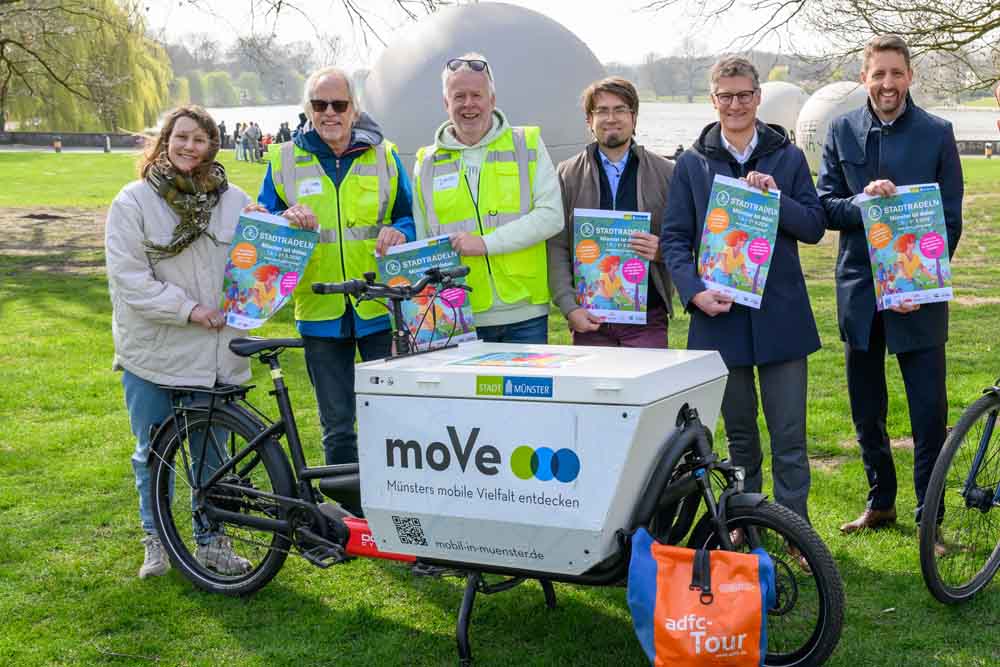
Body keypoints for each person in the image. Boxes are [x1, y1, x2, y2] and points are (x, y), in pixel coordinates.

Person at [661, 56, 825, 527]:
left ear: (758, 97)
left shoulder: (788, 158)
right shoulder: (691, 164)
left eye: (744, 95)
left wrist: (775, 198)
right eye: (726, 96)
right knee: (739, 439)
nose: (735, 105)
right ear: (713, 100)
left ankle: (794, 530)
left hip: (781, 318)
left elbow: (814, 226)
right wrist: (694, 292)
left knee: (789, 438)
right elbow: (675, 239)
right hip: (720, 319)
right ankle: (744, 528)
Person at [816, 35, 963, 537]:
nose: (887, 83)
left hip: (918, 298)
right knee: (866, 409)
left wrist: (912, 285)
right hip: (860, 292)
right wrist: (862, 201)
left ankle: (929, 519)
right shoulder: (842, 130)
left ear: (910, 77)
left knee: (928, 412)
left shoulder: (937, 133)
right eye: (878, 73)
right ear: (864, 78)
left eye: (896, 73)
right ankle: (880, 502)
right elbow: (825, 207)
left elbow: (949, 221)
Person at [106, 105, 255, 579]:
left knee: (212, 454)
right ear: (165, 140)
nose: (190, 146)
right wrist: (188, 309)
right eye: (181, 137)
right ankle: (157, 538)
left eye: (200, 139)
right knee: (153, 451)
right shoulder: (133, 202)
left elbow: (264, 255)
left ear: (212, 145)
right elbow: (130, 279)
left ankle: (212, 541)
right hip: (154, 350)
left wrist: (291, 222)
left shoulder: (235, 201)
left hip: (212, 353)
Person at [256, 66, 415, 466]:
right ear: (308, 109)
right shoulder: (283, 159)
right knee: (337, 425)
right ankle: (346, 503)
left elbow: (411, 217)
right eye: (320, 104)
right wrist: (284, 219)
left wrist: (400, 231)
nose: (329, 113)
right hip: (319, 309)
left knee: (393, 418)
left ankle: (389, 497)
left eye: (339, 104)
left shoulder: (385, 155)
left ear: (354, 109)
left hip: (379, 307)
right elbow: (263, 227)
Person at [412, 53, 564, 343]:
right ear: (446, 103)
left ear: (492, 100)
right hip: (459, 314)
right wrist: (421, 319)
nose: (468, 104)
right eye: (459, 96)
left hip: (525, 312)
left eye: (476, 95)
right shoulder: (426, 163)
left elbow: (551, 216)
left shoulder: (527, 144)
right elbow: (422, 242)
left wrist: (485, 243)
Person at [547, 76, 674, 348]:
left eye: (620, 110)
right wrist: (569, 307)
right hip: (589, 318)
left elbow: (686, 240)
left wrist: (662, 250)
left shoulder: (666, 172)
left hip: (647, 319)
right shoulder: (567, 174)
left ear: (634, 117)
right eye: (602, 111)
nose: (611, 118)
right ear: (589, 120)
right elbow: (557, 246)